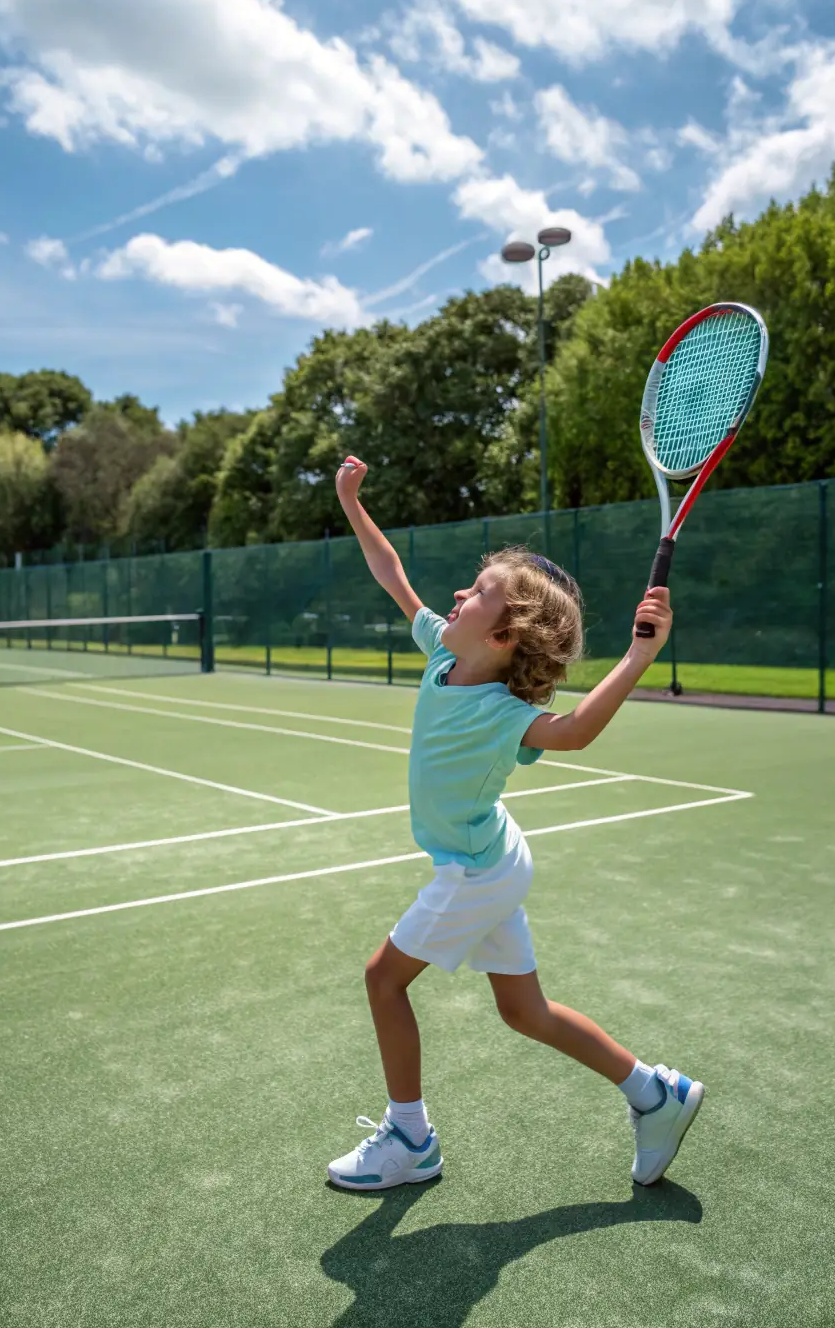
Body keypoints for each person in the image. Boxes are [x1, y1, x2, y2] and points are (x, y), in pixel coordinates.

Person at [327, 456, 704, 1192]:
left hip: (476, 867)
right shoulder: (444, 650)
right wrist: (351, 501)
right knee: (525, 1010)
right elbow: (390, 570)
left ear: (501, 640)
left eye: (478, 594)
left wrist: (638, 655)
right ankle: (656, 1093)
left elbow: (575, 731)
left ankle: (411, 1137)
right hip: (491, 856)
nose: (459, 593)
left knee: (382, 980)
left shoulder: (506, 714)